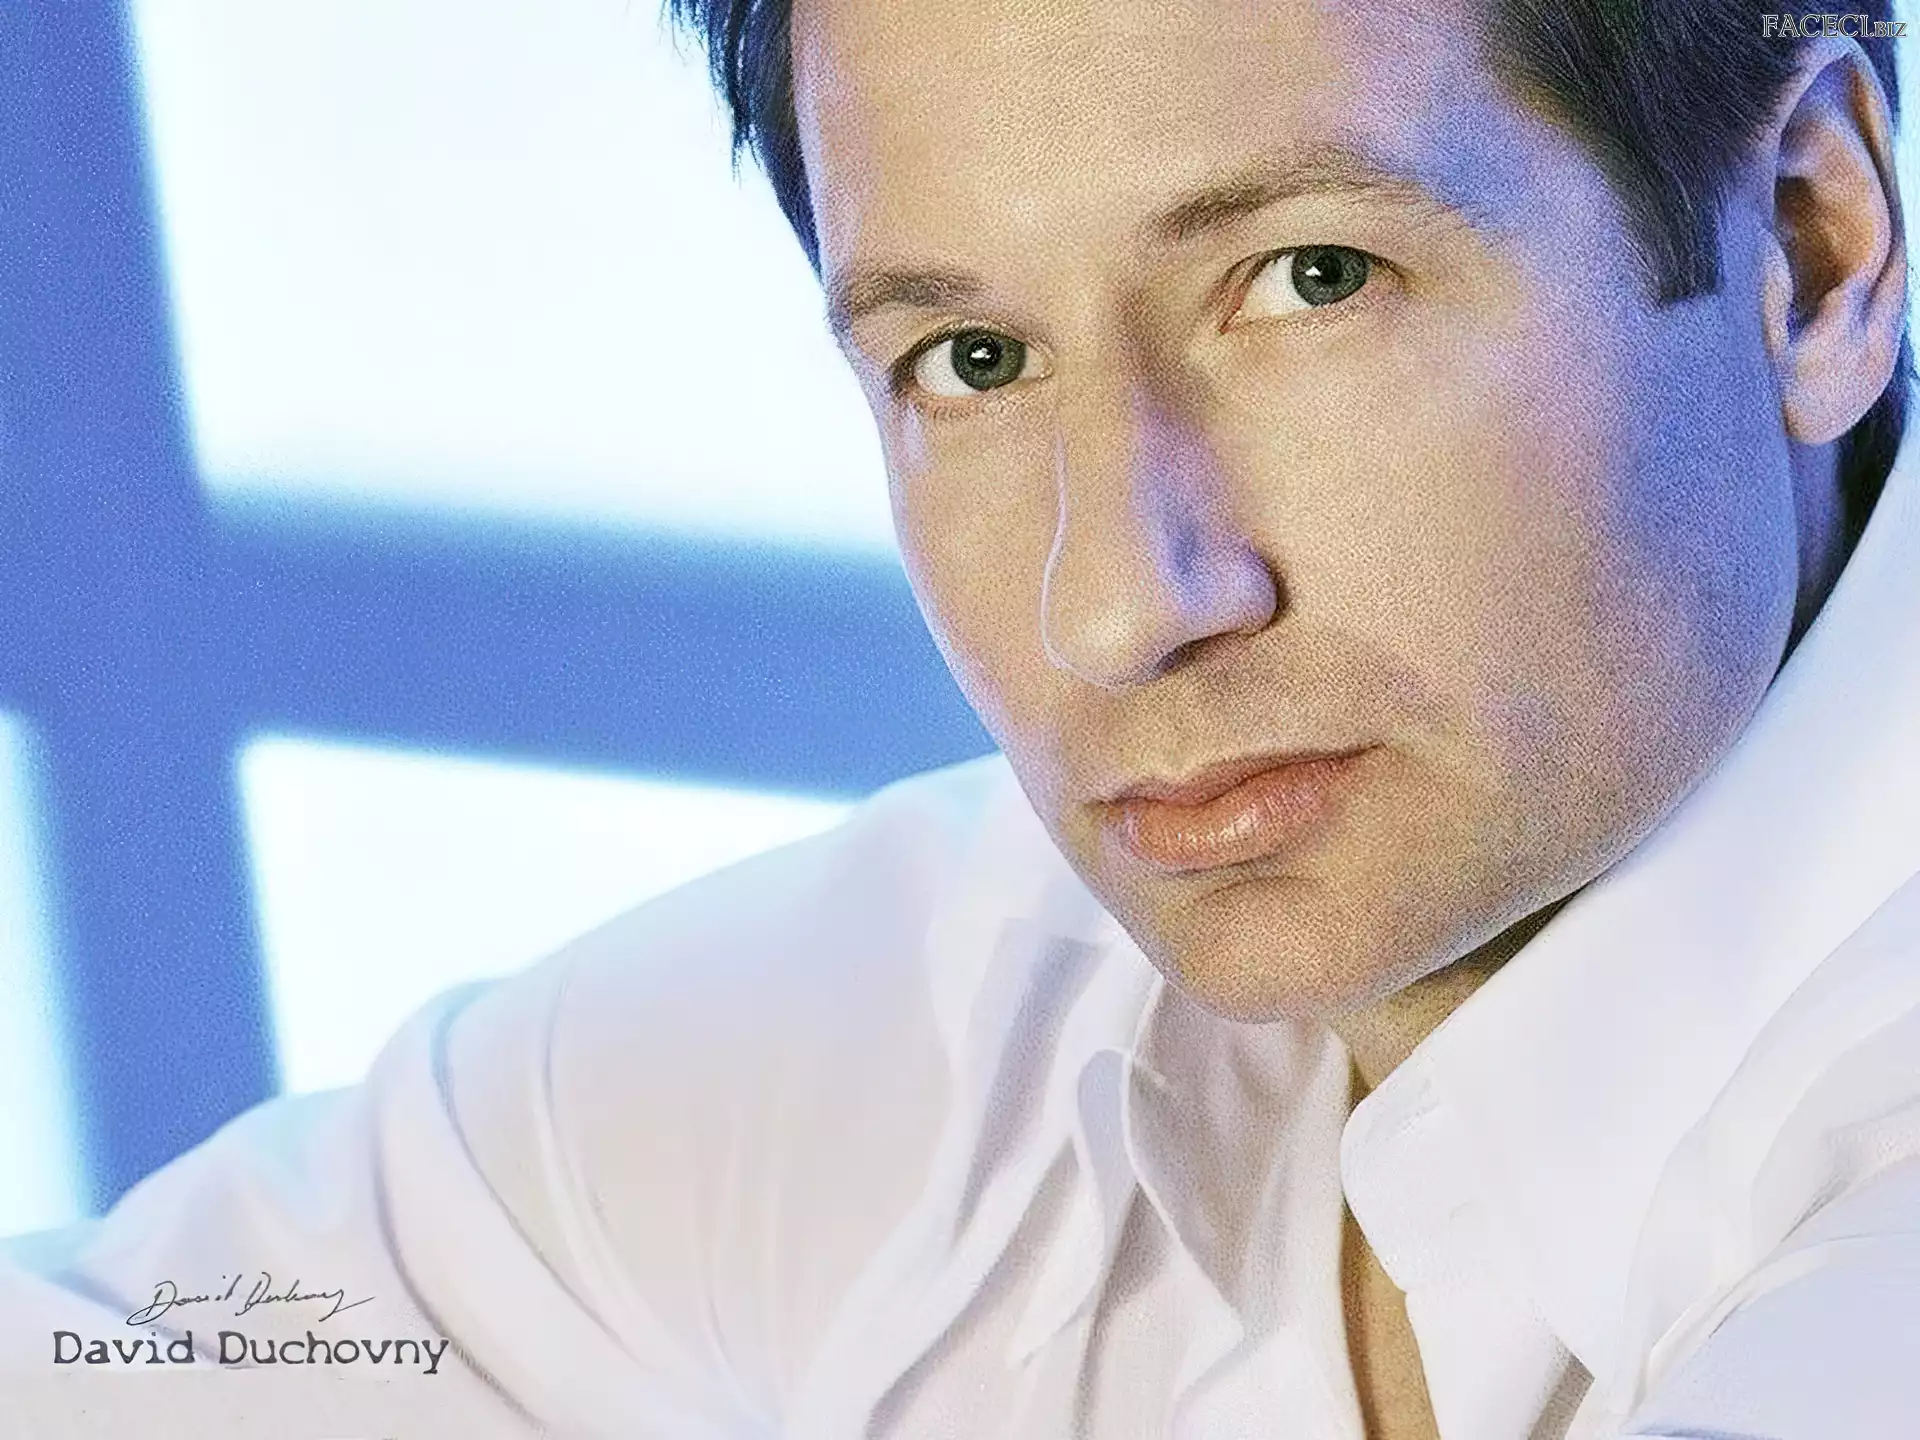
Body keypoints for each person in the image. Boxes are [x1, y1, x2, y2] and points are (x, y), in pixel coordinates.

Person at [5, 0, 1920, 1435]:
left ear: (1812, 246)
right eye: (971, 359)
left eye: (1311, 278)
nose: (1120, 606)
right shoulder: (973, 1005)